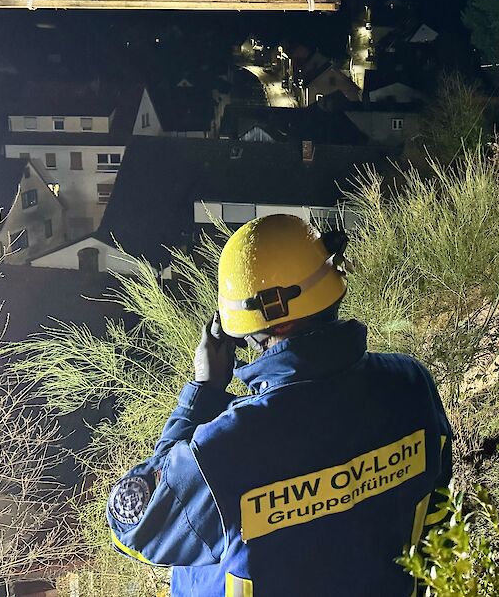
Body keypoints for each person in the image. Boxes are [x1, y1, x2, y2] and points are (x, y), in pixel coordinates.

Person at [106, 214, 453, 596]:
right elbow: (436, 510)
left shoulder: (226, 451)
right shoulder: (409, 384)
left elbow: (136, 525)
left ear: (249, 328)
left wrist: (201, 397)